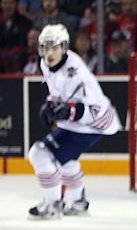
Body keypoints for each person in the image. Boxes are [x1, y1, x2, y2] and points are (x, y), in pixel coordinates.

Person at [27, 24, 120, 218]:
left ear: (64, 47)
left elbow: (93, 110)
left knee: (39, 154)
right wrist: (51, 104)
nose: (49, 52)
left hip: (94, 121)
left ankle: (52, 205)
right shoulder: (45, 63)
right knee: (66, 158)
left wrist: (69, 111)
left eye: (54, 47)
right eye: (45, 47)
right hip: (78, 121)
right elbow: (57, 90)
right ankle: (78, 201)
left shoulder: (77, 75)